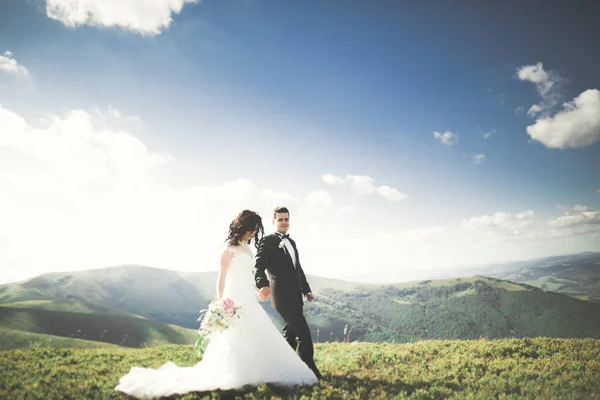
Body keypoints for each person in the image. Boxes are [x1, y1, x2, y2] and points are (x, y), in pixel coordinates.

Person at [114, 210, 318, 399]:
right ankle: (234, 371)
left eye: (256, 229)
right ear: (241, 225)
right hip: (233, 297)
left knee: (255, 333)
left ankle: (257, 369)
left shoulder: (247, 248)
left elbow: (247, 275)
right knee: (234, 335)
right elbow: (222, 276)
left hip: (247, 296)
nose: (253, 232)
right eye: (251, 228)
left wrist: (257, 291)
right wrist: (221, 301)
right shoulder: (229, 246)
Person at [253, 206, 322, 380]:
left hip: (296, 296)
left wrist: (306, 290)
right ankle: (310, 373)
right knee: (304, 335)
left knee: (289, 335)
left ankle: (283, 371)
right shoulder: (267, 241)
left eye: (286, 219)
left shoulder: (291, 242)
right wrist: (263, 285)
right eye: (280, 219)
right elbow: (258, 267)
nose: (284, 223)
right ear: (273, 221)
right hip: (282, 297)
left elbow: (297, 269)